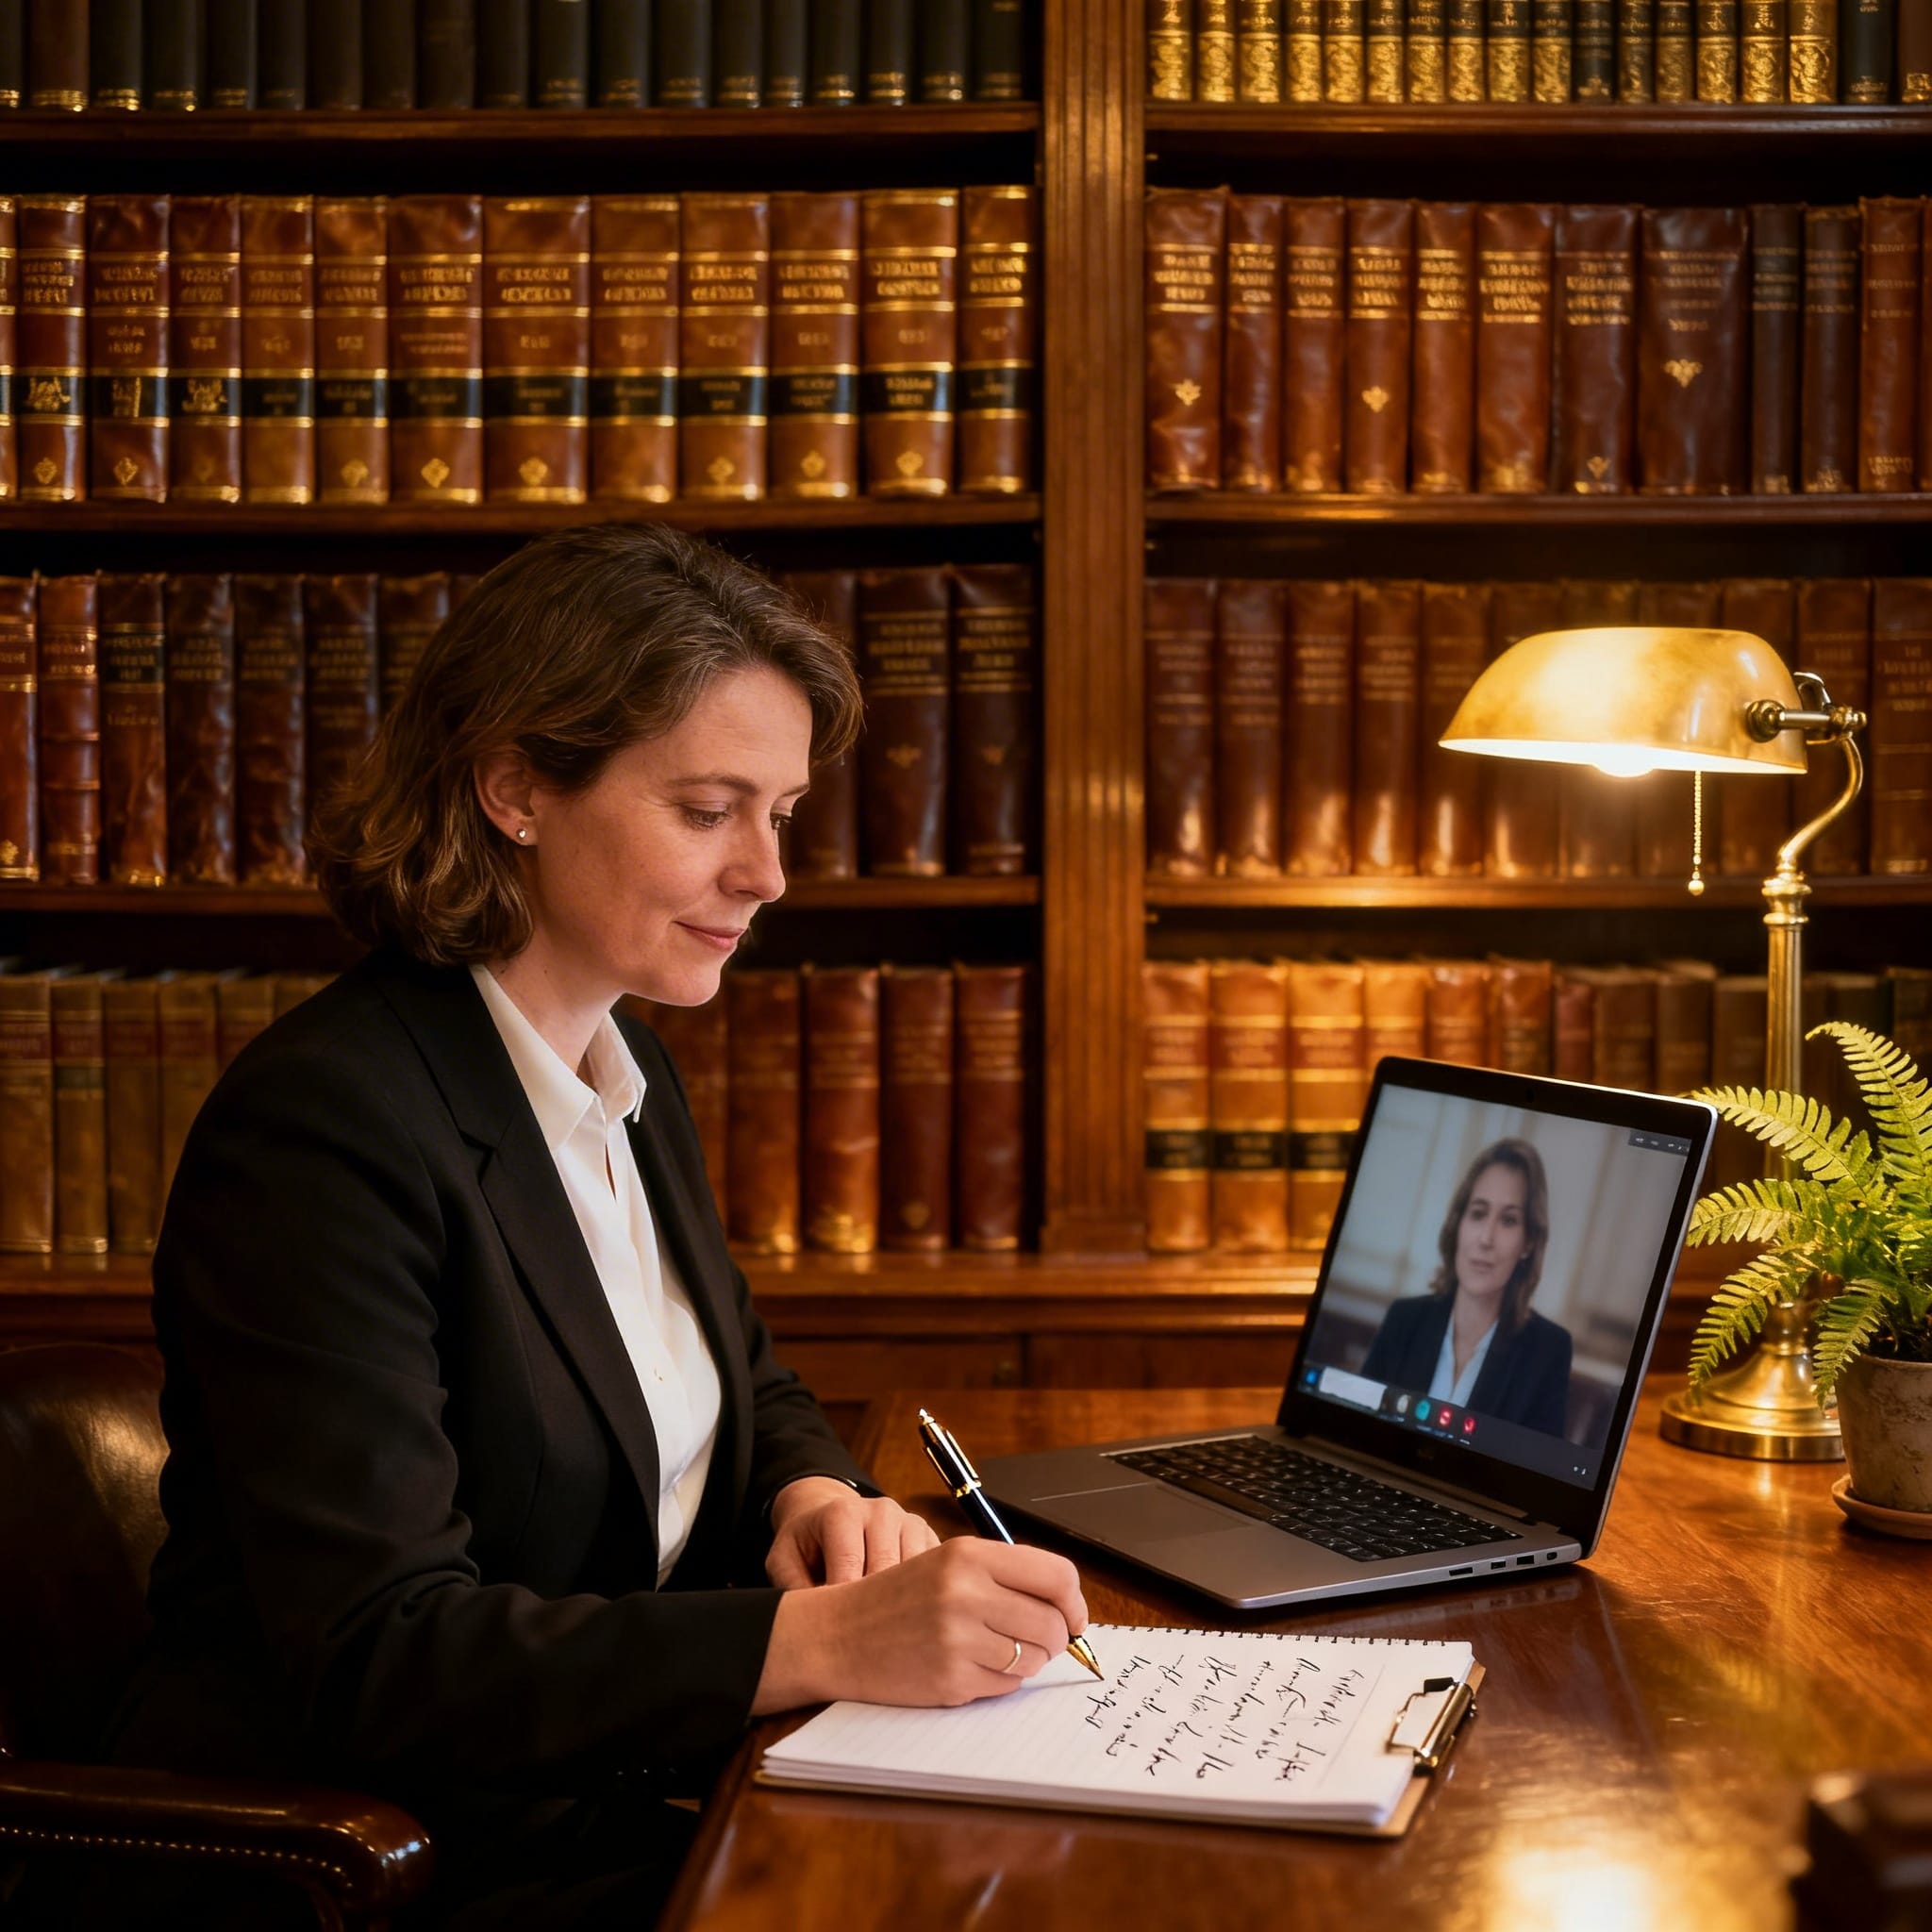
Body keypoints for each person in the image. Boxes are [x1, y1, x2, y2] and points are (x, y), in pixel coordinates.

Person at [100, 525, 1089, 1929]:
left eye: (781, 812)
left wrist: (812, 1494)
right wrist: (816, 1638)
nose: (768, 874)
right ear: (514, 787)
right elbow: (386, 1652)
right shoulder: (324, 1128)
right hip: (399, 1869)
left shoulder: (625, 1068)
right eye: (708, 810)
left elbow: (742, 1381)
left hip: (624, 1798)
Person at [1360, 1138, 1573, 1439]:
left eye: (1508, 1220)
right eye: (1478, 1213)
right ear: (1458, 1224)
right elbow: (1357, 1432)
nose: (1486, 1238)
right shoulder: (1403, 1320)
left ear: (1528, 1243)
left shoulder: (1548, 1352)